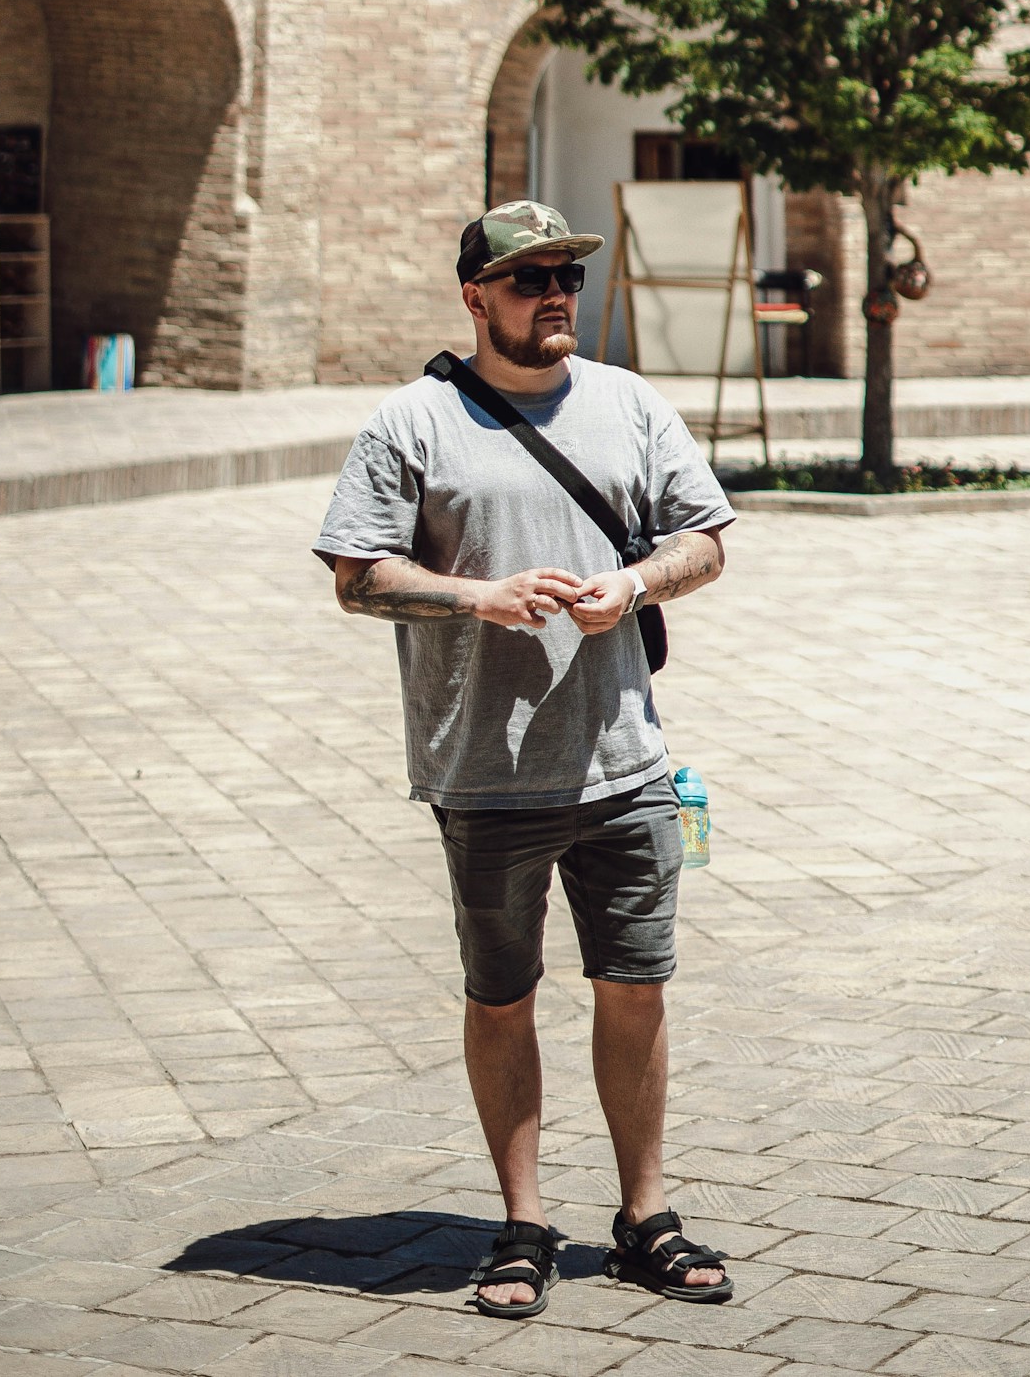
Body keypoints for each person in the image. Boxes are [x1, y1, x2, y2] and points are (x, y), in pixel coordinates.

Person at [314, 198, 736, 1322]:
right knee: (502, 999)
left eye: (567, 276)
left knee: (635, 989)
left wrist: (633, 584)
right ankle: (523, 1224)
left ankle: (646, 1219)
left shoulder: (627, 402)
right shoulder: (413, 421)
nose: (554, 295)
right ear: (475, 297)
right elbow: (357, 574)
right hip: (486, 773)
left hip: (626, 762)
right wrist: (478, 597)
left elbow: (704, 540)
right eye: (527, 278)